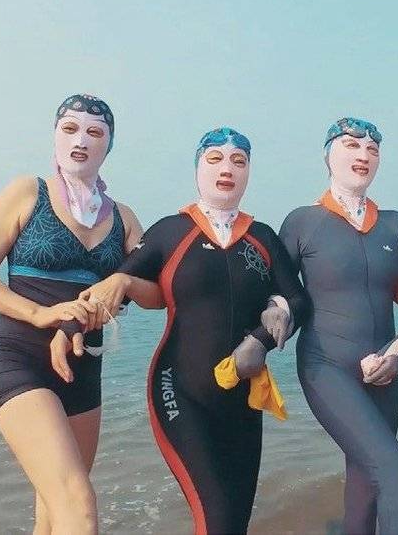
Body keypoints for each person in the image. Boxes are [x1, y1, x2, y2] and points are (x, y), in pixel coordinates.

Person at [59, 127, 310, 535]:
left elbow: (299, 300)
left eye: (239, 161)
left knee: (234, 524)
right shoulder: (171, 231)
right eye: (215, 159)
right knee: (217, 521)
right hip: (181, 393)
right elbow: (116, 285)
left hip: (243, 401)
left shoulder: (262, 237)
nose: (227, 169)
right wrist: (70, 325)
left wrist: (264, 334)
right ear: (198, 169)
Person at [0, 94, 157, 533]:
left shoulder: (123, 217)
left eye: (95, 132)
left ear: (109, 145)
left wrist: (122, 283)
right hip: (19, 357)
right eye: (70, 129)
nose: (81, 140)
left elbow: (155, 294)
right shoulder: (27, 193)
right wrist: (39, 314)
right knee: (78, 502)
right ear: (55, 136)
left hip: (83, 372)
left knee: (54, 512)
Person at [279, 117, 398, 535]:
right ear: (328, 155)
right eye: (352, 146)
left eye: (372, 149)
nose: (364, 155)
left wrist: (395, 354)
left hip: (384, 373)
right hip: (325, 366)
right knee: (395, 473)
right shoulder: (303, 222)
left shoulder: (395, 224)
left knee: (367, 483)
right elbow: (281, 296)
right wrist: (259, 338)